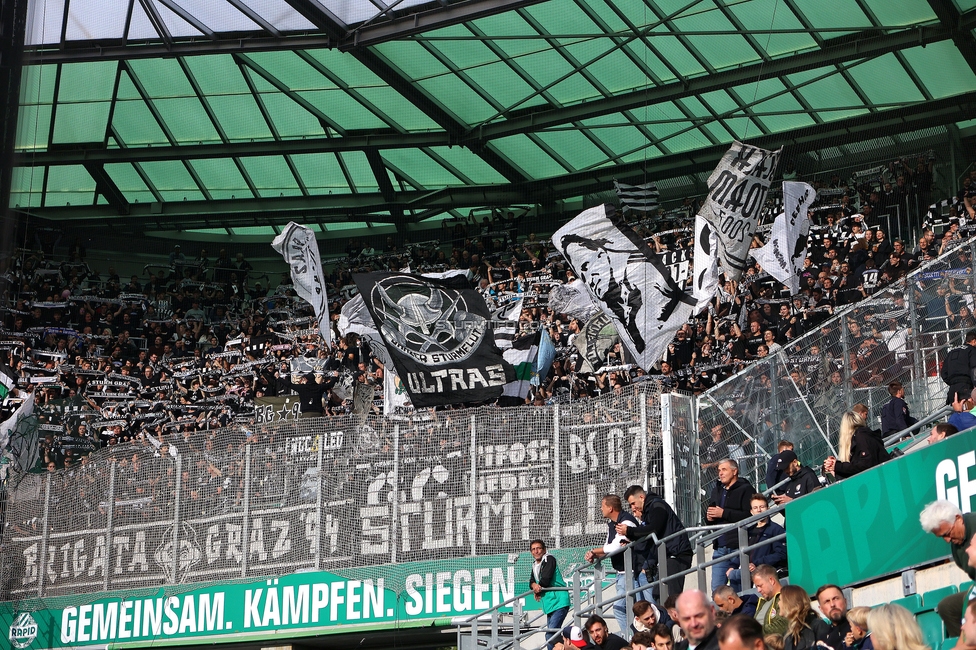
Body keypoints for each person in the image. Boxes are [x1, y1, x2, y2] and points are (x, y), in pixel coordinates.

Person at [619, 485, 693, 602]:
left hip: (676, 553)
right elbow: (649, 534)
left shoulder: (657, 506)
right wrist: (630, 536)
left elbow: (653, 529)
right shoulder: (649, 510)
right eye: (630, 505)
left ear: (642, 497)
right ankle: (667, 619)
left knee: (672, 596)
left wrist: (629, 531)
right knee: (659, 595)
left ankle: (678, 618)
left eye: (633, 503)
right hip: (667, 555)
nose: (632, 508)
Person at [919, 500, 976, 636]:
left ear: (958, 519)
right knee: (947, 606)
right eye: (942, 537)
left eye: (947, 533)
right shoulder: (956, 544)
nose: (947, 540)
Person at [585, 495, 639, 637]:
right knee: (630, 609)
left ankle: (632, 640)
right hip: (622, 573)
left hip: (633, 573)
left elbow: (615, 547)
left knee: (620, 608)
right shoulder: (612, 524)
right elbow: (608, 547)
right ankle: (634, 639)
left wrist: (594, 551)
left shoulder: (627, 521)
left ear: (610, 508)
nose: (600, 508)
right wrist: (595, 555)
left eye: (602, 505)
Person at [707, 459, 756, 591]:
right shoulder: (716, 490)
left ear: (735, 471)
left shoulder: (746, 489)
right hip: (720, 548)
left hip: (738, 547)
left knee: (739, 589)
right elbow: (713, 515)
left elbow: (750, 516)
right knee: (716, 591)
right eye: (719, 470)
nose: (720, 473)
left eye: (724, 470)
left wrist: (724, 513)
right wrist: (709, 518)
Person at [726, 496, 787, 591]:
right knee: (732, 574)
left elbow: (780, 554)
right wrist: (732, 566)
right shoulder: (748, 531)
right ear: (751, 512)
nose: (759, 510)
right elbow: (741, 552)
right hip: (746, 569)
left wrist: (756, 564)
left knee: (735, 575)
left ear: (768, 509)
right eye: (755, 508)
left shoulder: (776, 530)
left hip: (763, 570)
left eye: (762, 507)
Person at [529, 539, 572, 649]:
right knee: (551, 635)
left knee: (550, 634)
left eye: (539, 548)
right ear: (531, 552)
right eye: (533, 549)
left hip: (559, 602)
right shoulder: (535, 565)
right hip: (550, 605)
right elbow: (531, 581)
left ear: (544, 550)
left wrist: (538, 587)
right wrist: (535, 587)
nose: (536, 551)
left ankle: (574, 646)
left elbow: (546, 579)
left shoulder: (549, 558)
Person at [823, 411, 888, 479]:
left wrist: (837, 466)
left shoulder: (861, 436)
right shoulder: (864, 436)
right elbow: (857, 467)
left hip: (880, 479)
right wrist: (835, 467)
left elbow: (865, 465)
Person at [779, 585, 829, 650]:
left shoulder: (818, 625)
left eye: (780, 600)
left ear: (789, 602)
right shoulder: (787, 634)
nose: (778, 603)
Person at [941, 331, 976, 406]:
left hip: (952, 390)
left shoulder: (951, 351)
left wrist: (953, 382)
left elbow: (943, 372)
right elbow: (974, 368)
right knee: (969, 414)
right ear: (974, 341)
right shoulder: (972, 350)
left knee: (955, 414)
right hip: (966, 388)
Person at [815, 584, 852, 650]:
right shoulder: (822, 639)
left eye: (836, 598)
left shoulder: (858, 626)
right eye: (827, 601)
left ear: (845, 601)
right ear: (821, 609)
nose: (832, 604)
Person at [753, 565, 787, 635]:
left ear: (771, 580)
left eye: (760, 585)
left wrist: (753, 632)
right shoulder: (762, 602)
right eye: (756, 587)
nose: (758, 590)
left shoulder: (786, 597)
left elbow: (784, 624)